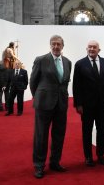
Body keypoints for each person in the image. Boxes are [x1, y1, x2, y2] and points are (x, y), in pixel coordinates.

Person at [30, 35, 72, 179]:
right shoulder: (41, 60)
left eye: (58, 44)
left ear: (62, 46)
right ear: (50, 45)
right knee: (41, 135)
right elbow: (33, 81)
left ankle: (55, 162)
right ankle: (39, 165)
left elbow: (64, 83)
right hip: (44, 104)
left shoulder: (67, 62)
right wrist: (39, 97)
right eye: (53, 44)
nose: (56, 46)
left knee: (59, 135)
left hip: (61, 104)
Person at [72, 40, 104, 167]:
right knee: (87, 131)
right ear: (86, 49)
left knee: (102, 131)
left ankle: (100, 155)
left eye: (94, 47)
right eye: (89, 47)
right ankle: (88, 157)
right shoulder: (80, 64)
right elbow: (76, 86)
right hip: (86, 106)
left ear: (98, 50)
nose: (92, 49)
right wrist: (78, 104)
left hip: (103, 104)